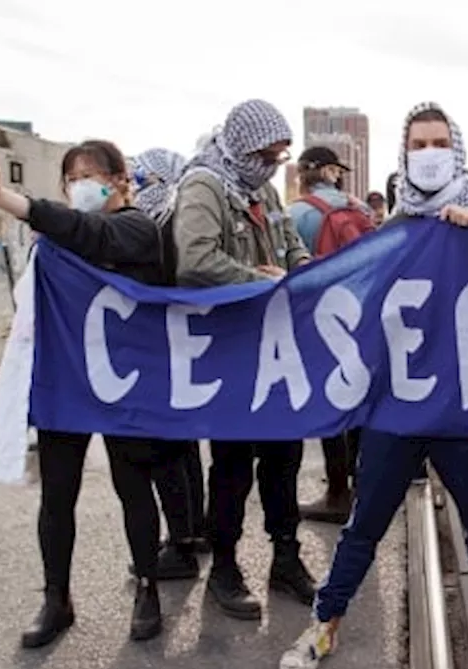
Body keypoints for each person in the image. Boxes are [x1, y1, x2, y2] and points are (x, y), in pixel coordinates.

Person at [280, 102, 468, 669]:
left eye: (439, 142)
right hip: (395, 408)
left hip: (464, 407)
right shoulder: (391, 231)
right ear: (404, 155)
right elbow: (352, 301)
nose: (430, 153)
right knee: (365, 525)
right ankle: (326, 621)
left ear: (459, 147)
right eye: (419, 144)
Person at [0, 140, 176, 647]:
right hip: (65, 382)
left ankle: (147, 587)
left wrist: (5, 198)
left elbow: (92, 231)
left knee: (134, 487)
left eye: (90, 175)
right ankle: (56, 598)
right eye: (71, 178)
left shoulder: (137, 229)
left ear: (119, 180)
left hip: (125, 384)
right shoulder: (58, 238)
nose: (79, 186)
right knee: (57, 495)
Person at [171, 99, 316, 618]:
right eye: (266, 154)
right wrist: (262, 281)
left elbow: (291, 246)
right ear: (241, 146)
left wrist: (304, 274)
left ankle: (285, 557)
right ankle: (225, 566)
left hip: (276, 348)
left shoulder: (266, 191)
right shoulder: (204, 186)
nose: (273, 164)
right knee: (232, 463)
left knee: (284, 458)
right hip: (228, 349)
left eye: (280, 155)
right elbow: (195, 261)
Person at [126, 147, 209, 577]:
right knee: (181, 449)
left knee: (165, 454)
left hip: (164, 352)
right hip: (180, 352)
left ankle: (180, 546)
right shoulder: (175, 218)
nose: (137, 188)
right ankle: (192, 532)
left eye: (142, 180)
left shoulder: (160, 224)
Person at [287, 145, 374, 524]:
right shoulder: (360, 211)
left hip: (318, 318)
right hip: (362, 314)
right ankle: (362, 482)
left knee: (327, 401)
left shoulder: (297, 213)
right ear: (329, 172)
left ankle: (338, 490)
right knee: (356, 397)